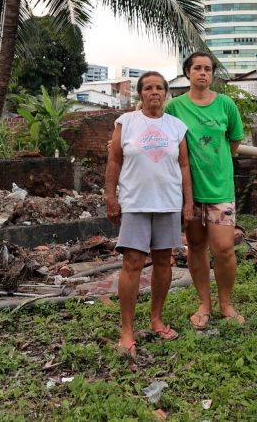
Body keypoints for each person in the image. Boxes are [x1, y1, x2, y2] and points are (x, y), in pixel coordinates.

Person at [105, 71, 194, 360]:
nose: (154, 92)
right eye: (148, 88)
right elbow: (114, 160)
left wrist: (188, 202)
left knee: (163, 261)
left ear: (166, 94)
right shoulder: (126, 122)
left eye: (159, 88)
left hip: (168, 202)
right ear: (140, 93)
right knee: (131, 262)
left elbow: (183, 167)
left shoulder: (176, 127)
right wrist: (110, 196)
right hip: (135, 203)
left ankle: (156, 319)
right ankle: (127, 330)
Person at [165, 52, 245, 329]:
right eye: (197, 68)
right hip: (188, 191)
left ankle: (226, 303)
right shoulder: (174, 107)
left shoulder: (226, 104)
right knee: (196, 246)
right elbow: (163, 138)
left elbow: (234, 141)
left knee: (223, 249)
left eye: (208, 69)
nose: (203, 73)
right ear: (187, 73)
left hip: (220, 189)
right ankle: (204, 303)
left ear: (212, 74)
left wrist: (216, 163)